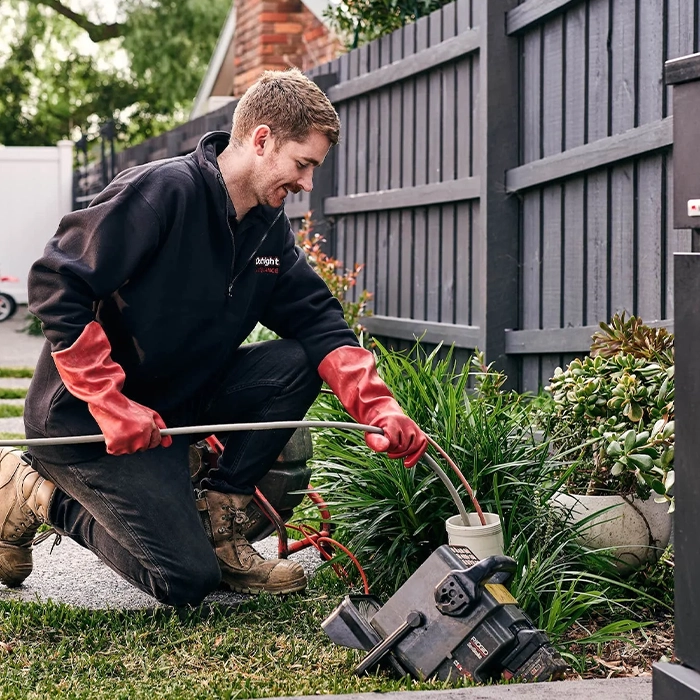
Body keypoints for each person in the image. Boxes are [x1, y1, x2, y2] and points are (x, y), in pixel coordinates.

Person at [0, 68, 427, 605]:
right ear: (263, 139)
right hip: (86, 420)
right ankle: (33, 491)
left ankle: (223, 518)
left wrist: (379, 409)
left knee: (299, 358)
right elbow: (56, 279)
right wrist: (108, 402)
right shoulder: (162, 192)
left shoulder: (268, 229)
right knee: (185, 581)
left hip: (175, 408)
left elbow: (318, 320)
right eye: (304, 164)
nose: (308, 184)